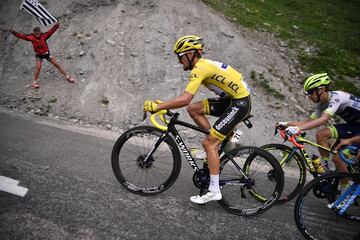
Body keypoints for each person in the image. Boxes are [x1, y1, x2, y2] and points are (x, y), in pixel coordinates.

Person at [143, 35, 251, 204]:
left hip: (239, 103)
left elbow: (185, 98)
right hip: (232, 100)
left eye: (180, 57)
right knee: (194, 109)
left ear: (191, 54)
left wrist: (158, 107)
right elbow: (189, 103)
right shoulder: (203, 65)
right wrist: (164, 105)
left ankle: (214, 190)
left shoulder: (200, 68)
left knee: (209, 144)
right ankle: (222, 139)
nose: (179, 62)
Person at [277, 73, 360, 173]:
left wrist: (298, 129)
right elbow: (308, 122)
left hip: (357, 130)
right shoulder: (322, 103)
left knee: (337, 159)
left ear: (321, 89)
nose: (309, 96)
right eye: (307, 93)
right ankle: (326, 169)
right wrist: (286, 124)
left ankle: (344, 188)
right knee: (321, 134)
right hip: (354, 126)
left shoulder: (337, 97)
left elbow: (324, 119)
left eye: (310, 92)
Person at [9, 22, 74, 88]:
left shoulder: (44, 35)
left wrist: (56, 25)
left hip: (46, 54)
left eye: (38, 31)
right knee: (38, 67)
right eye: (35, 31)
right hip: (38, 55)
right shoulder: (31, 37)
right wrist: (13, 32)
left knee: (56, 64)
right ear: (33, 32)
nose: (37, 32)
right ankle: (34, 82)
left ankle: (67, 76)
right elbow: (22, 36)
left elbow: (51, 31)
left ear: (40, 31)